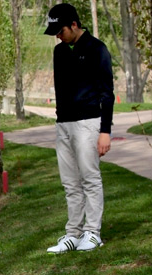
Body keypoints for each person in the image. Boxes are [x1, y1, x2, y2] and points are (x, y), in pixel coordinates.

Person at [43, 3, 115, 254]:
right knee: (70, 183)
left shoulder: (97, 49)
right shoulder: (60, 52)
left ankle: (92, 232)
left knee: (89, 179)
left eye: (60, 30)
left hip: (89, 122)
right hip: (63, 124)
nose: (57, 36)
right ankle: (73, 233)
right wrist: (60, 119)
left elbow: (107, 93)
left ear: (74, 24)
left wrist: (105, 130)